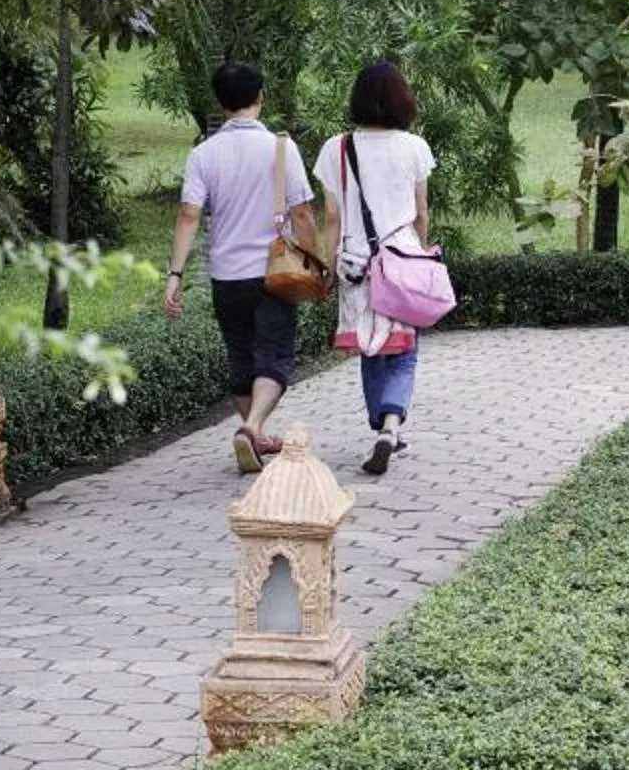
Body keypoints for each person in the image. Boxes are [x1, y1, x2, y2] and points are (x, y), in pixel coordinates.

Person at [166, 59, 317, 474]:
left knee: (240, 356)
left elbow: (188, 216)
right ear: (260, 97)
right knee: (275, 355)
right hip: (275, 272)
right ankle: (251, 428)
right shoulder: (281, 148)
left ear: (219, 102)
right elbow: (302, 213)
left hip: (226, 274)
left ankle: (256, 434)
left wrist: (175, 275)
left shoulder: (202, 154)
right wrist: (318, 265)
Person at [315, 59, 437, 478]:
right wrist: (420, 250)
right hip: (401, 259)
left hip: (355, 263)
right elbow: (421, 213)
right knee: (404, 351)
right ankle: (391, 424)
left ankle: (380, 424)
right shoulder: (414, 147)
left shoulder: (337, 148)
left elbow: (331, 216)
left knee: (370, 348)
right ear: (402, 100)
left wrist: (328, 267)